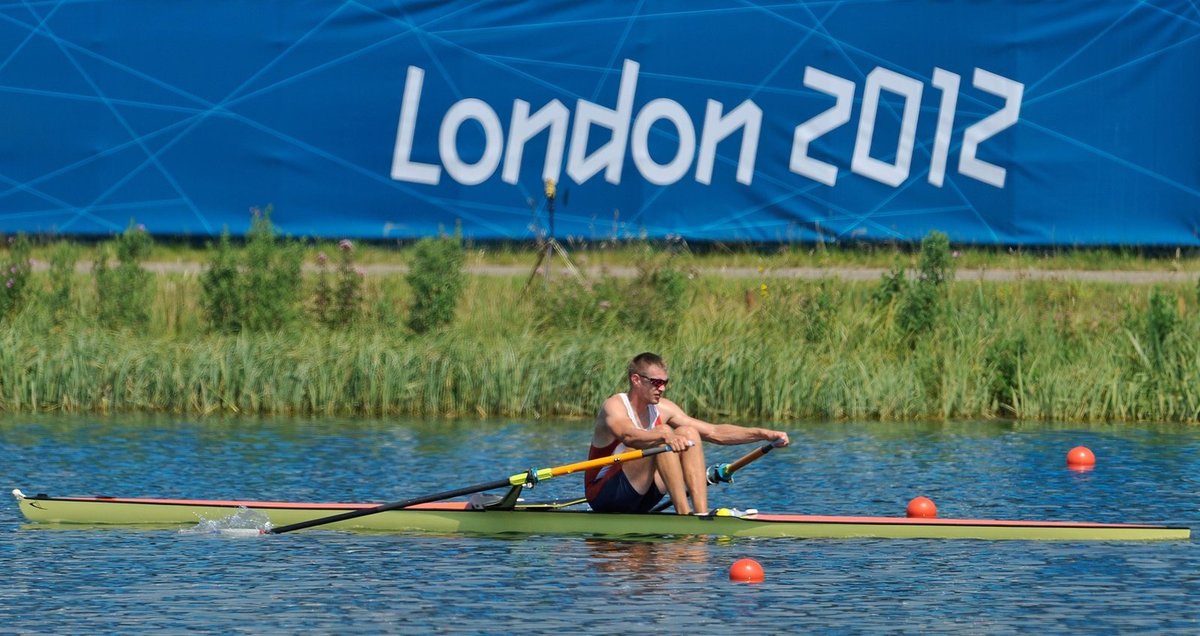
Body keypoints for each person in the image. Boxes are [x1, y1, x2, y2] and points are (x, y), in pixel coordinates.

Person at [585, 352, 790, 515]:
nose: (662, 388)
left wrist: (764, 433)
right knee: (664, 431)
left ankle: (699, 514)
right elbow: (629, 436)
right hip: (605, 495)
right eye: (656, 382)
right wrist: (666, 436)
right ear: (636, 379)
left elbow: (714, 432)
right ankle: (684, 515)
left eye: (665, 382)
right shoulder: (614, 406)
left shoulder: (664, 408)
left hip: (643, 494)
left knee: (689, 432)